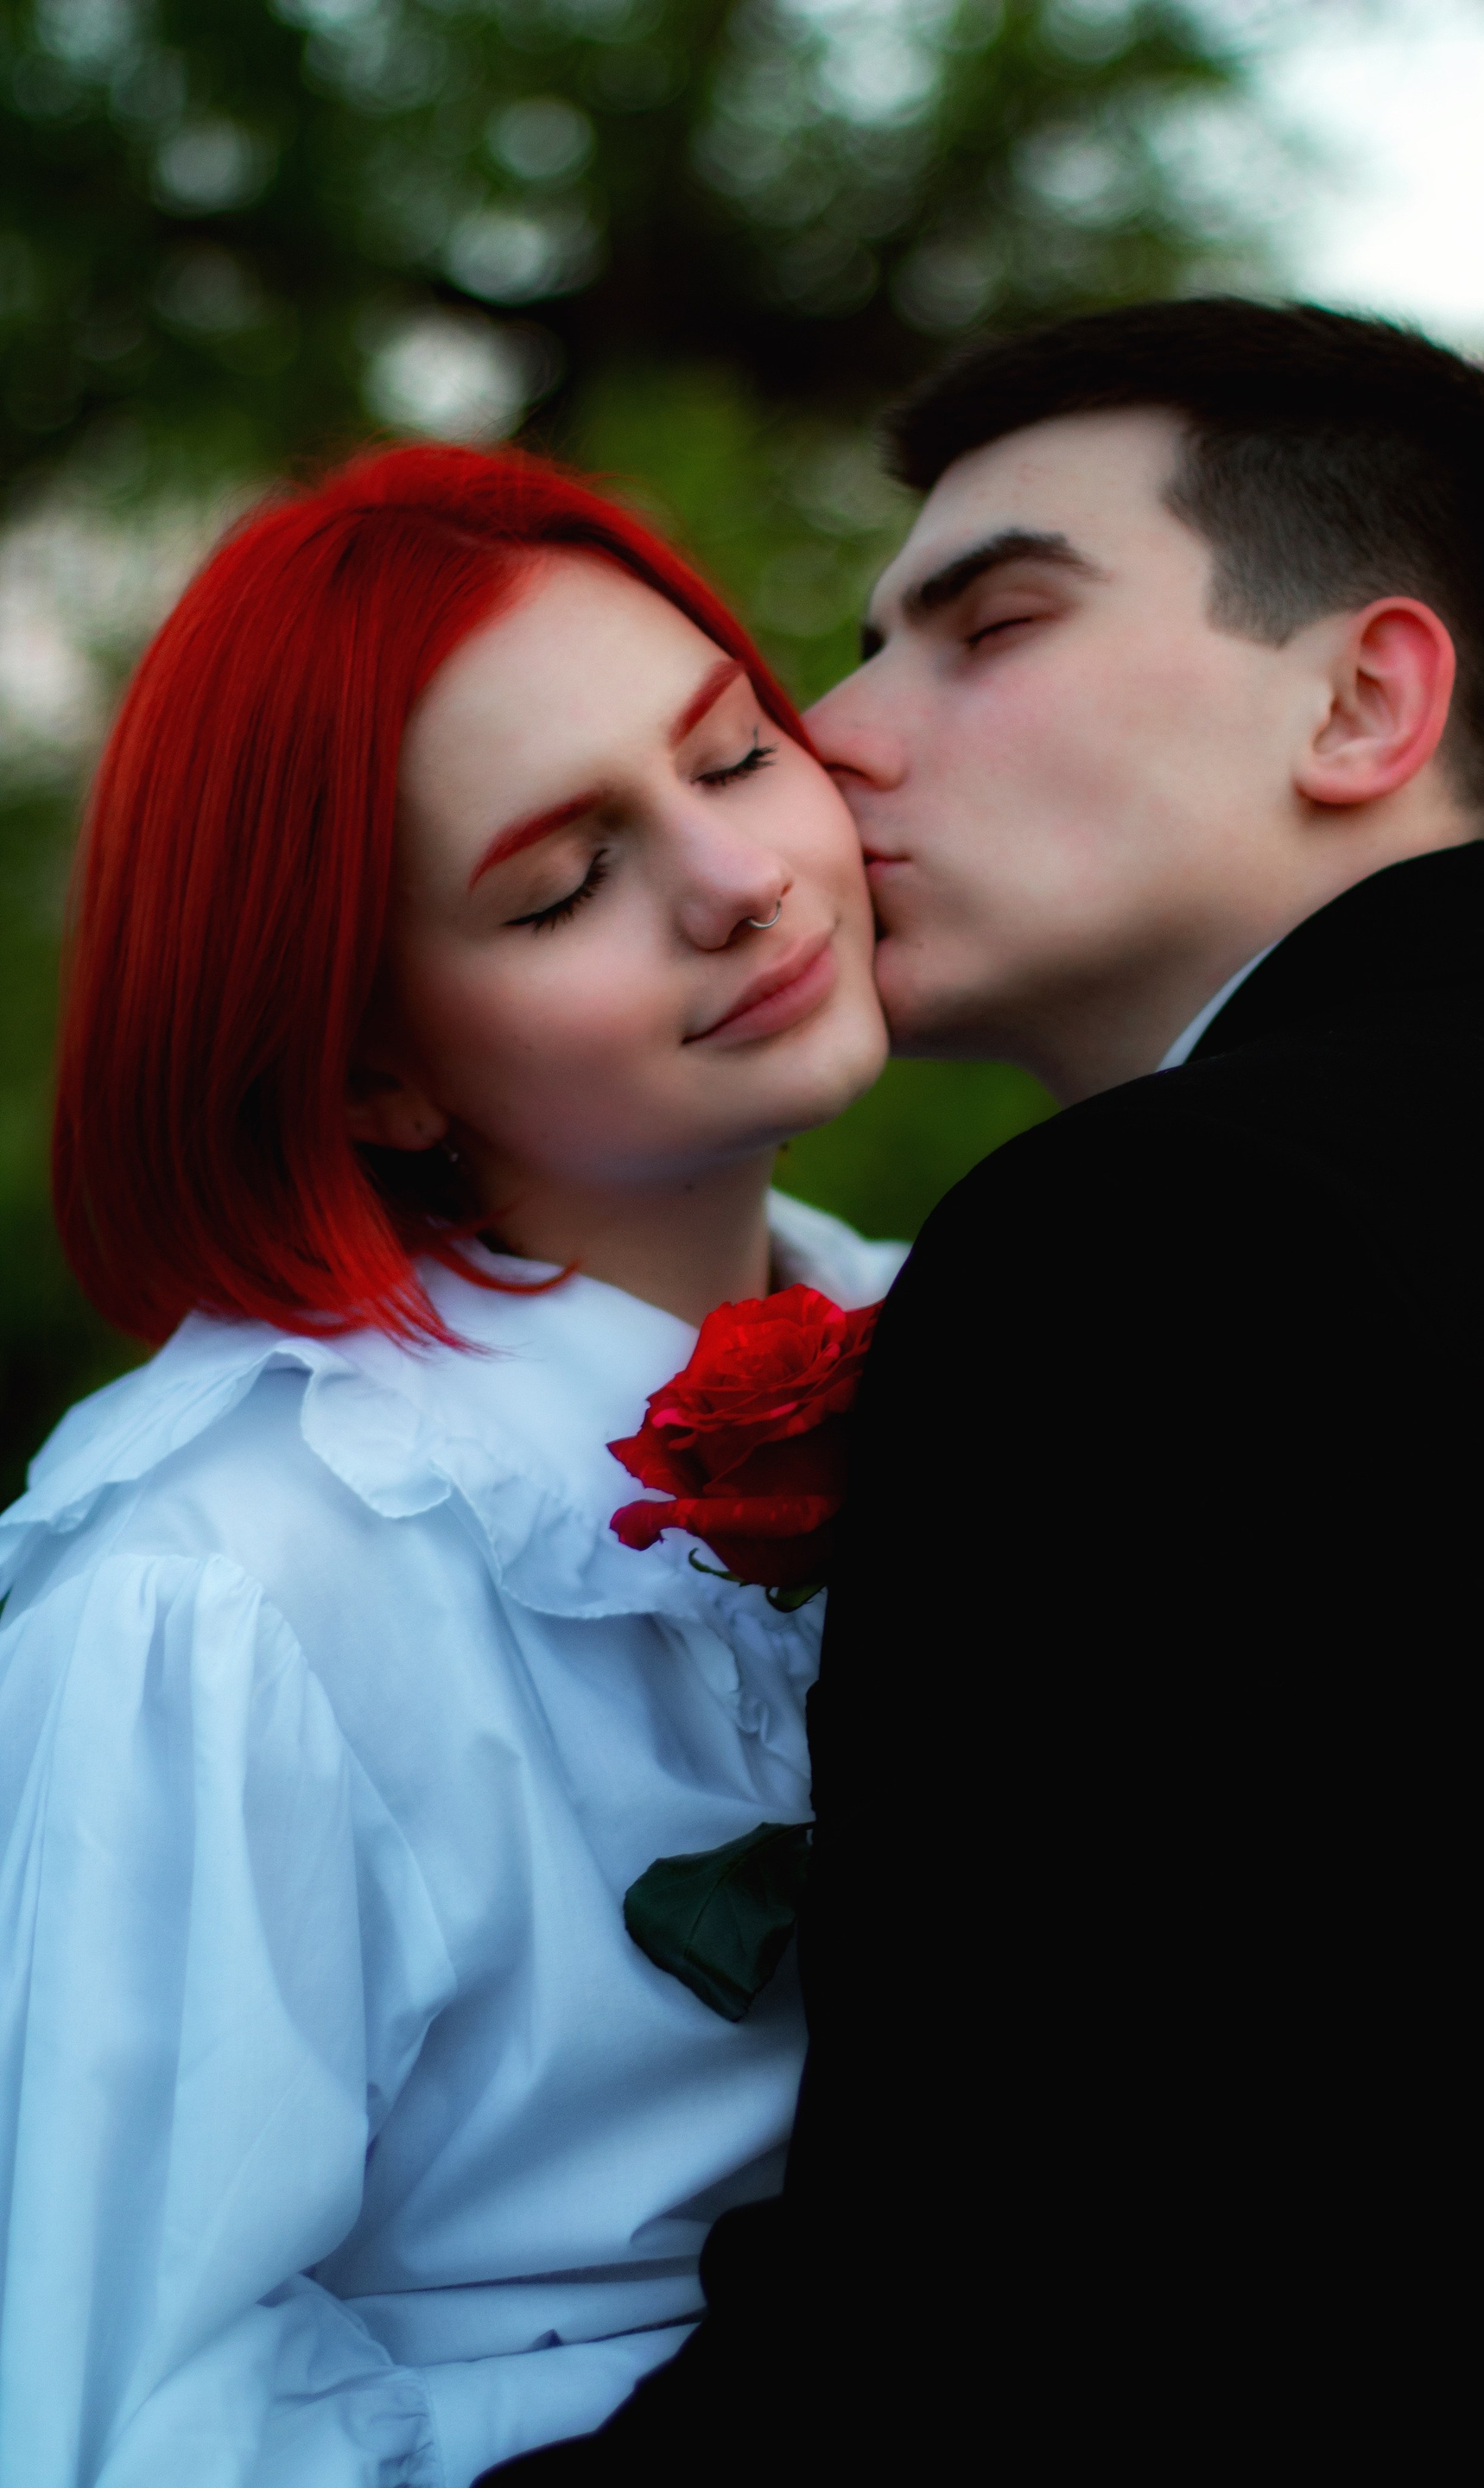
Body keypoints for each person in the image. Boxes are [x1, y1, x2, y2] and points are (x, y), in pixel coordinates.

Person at [510, 301, 1484, 2476]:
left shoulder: (1148, 1237)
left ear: (1363, 700)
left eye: (993, 626)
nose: (833, 736)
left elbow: (986, 2300)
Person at [0, 442, 897, 2485]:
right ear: (372, 1071)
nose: (743, 879)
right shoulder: (230, 1579)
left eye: (738, 754)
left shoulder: (981, 1338)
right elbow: (117, 2419)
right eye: (563, 882)